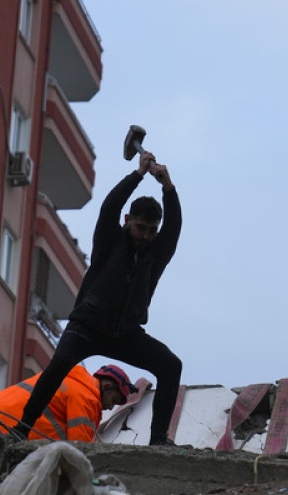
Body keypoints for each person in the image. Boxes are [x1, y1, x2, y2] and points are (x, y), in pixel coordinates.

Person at [19, 151, 183, 446]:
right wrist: (137, 175)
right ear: (127, 220)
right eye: (140, 228)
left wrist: (168, 187)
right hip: (87, 325)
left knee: (170, 366)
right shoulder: (110, 240)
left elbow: (173, 229)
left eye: (151, 231)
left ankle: (158, 440)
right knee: (57, 368)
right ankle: (22, 427)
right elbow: (109, 206)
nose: (145, 235)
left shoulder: (156, 254)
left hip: (126, 333)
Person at [0, 364, 136, 442]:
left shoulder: (65, 378)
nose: (109, 407)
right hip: (1, 433)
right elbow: (80, 448)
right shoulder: (86, 397)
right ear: (106, 386)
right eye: (113, 400)